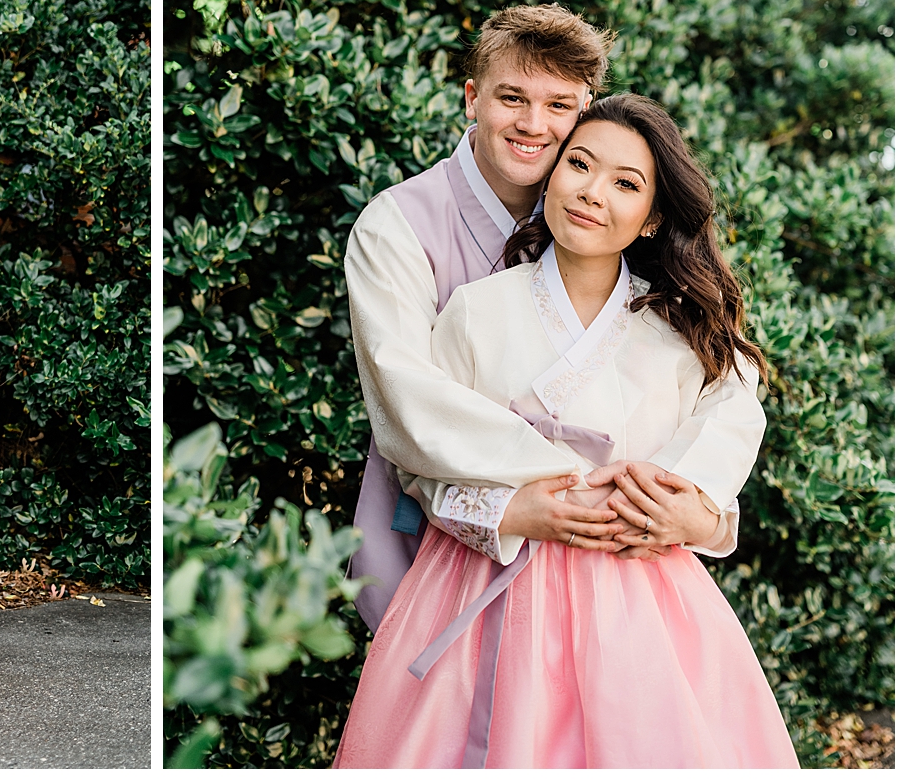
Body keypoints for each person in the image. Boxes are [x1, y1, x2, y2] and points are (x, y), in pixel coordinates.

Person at [334, 94, 797, 767]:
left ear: (652, 219)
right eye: (578, 164)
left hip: (636, 605)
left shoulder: (679, 338)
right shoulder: (473, 312)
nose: (591, 192)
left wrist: (686, 506)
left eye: (626, 184)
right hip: (479, 587)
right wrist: (507, 505)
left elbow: (724, 433)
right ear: (550, 175)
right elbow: (423, 467)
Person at [346, 3, 694, 633]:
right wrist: (563, 492)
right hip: (434, 527)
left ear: (586, 109)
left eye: (560, 106)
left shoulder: (601, 218)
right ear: (472, 98)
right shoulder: (396, 225)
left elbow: (709, 359)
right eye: (512, 98)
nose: (534, 124)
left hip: (595, 565)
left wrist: (697, 506)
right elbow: (406, 401)